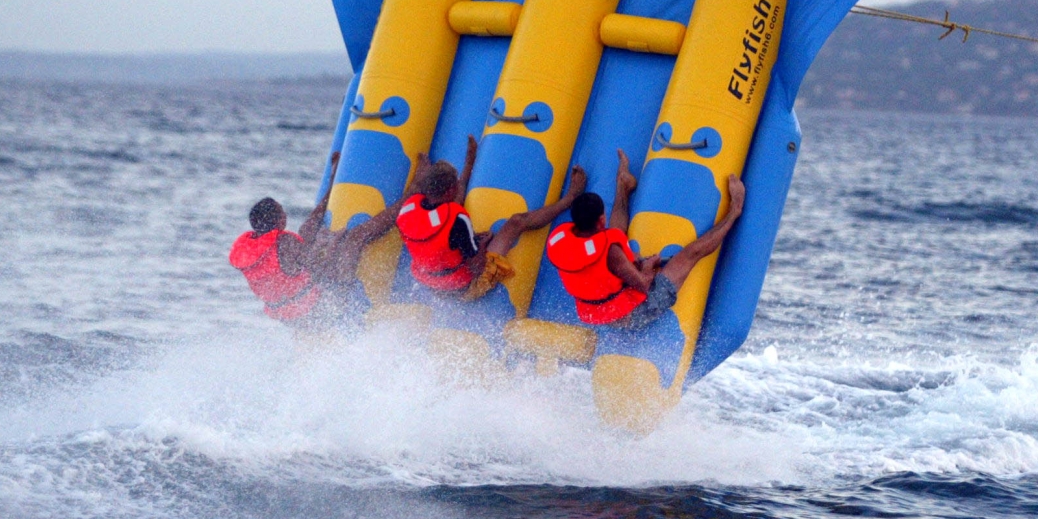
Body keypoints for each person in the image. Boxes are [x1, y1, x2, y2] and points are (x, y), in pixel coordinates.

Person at [545, 149, 745, 329]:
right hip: (631, 316)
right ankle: (734, 211)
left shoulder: (562, 240)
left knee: (613, 237)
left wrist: (631, 263)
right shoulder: (612, 253)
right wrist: (648, 266)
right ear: (601, 219)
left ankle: (623, 185)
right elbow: (643, 285)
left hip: (597, 313)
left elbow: (603, 259)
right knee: (689, 255)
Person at [397, 136, 587, 301]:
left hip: (432, 285)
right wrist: (481, 244)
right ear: (449, 191)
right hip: (464, 287)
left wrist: (469, 162)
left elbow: (439, 229)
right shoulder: (457, 219)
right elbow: (476, 266)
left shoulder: (409, 208)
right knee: (517, 222)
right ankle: (570, 198)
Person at [229, 151, 400, 325]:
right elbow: (320, 269)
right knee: (353, 239)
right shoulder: (285, 242)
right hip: (316, 311)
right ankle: (405, 200)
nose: (285, 214)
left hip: (286, 316)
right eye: (283, 211)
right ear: (279, 220)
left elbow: (292, 266)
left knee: (307, 230)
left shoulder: (251, 248)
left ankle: (333, 183)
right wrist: (333, 241)